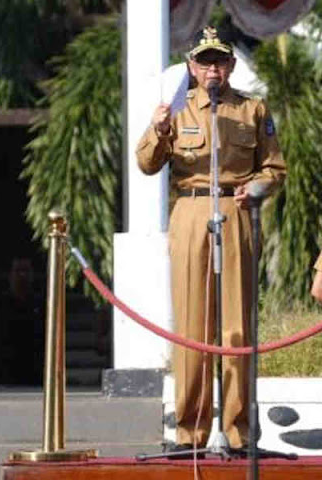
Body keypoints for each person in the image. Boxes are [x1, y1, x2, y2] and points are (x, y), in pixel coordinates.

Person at [136, 26, 286, 454]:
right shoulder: (176, 109)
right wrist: (157, 129)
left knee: (237, 328)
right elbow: (147, 163)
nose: (212, 69)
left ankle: (238, 434)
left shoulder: (252, 109)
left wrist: (256, 188)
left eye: (219, 60)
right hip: (191, 212)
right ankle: (190, 434)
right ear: (192, 67)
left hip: (236, 211)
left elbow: (274, 169)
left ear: (231, 65)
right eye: (204, 61)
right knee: (192, 328)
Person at [0, 257, 44, 386]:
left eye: (26, 271)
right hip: (4, 375)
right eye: (18, 271)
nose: (22, 275)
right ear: (10, 275)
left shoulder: (41, 305)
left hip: (35, 375)